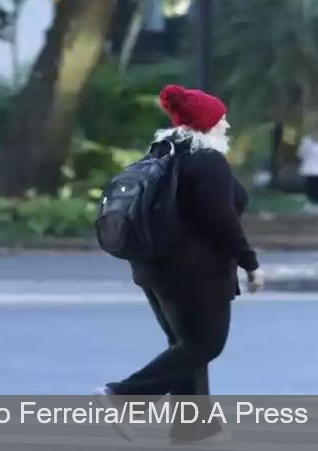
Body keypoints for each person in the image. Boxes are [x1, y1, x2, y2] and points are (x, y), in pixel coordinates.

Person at [93, 84, 264, 445]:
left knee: (184, 344)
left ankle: (194, 426)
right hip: (194, 272)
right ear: (205, 125)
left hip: (153, 266)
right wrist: (250, 263)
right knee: (205, 345)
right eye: (221, 120)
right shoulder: (206, 161)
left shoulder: (163, 153)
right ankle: (124, 398)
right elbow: (222, 220)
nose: (226, 126)